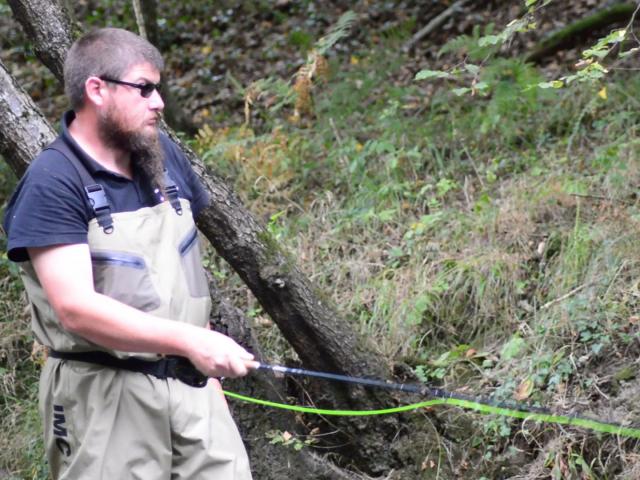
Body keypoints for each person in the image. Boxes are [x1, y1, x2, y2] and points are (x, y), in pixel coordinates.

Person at [3, 27, 256, 479]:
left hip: (192, 388)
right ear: (96, 89)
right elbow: (75, 309)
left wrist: (207, 368)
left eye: (157, 88)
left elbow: (181, 275)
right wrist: (193, 342)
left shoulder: (164, 156)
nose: (158, 102)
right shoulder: (53, 181)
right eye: (143, 88)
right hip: (102, 399)